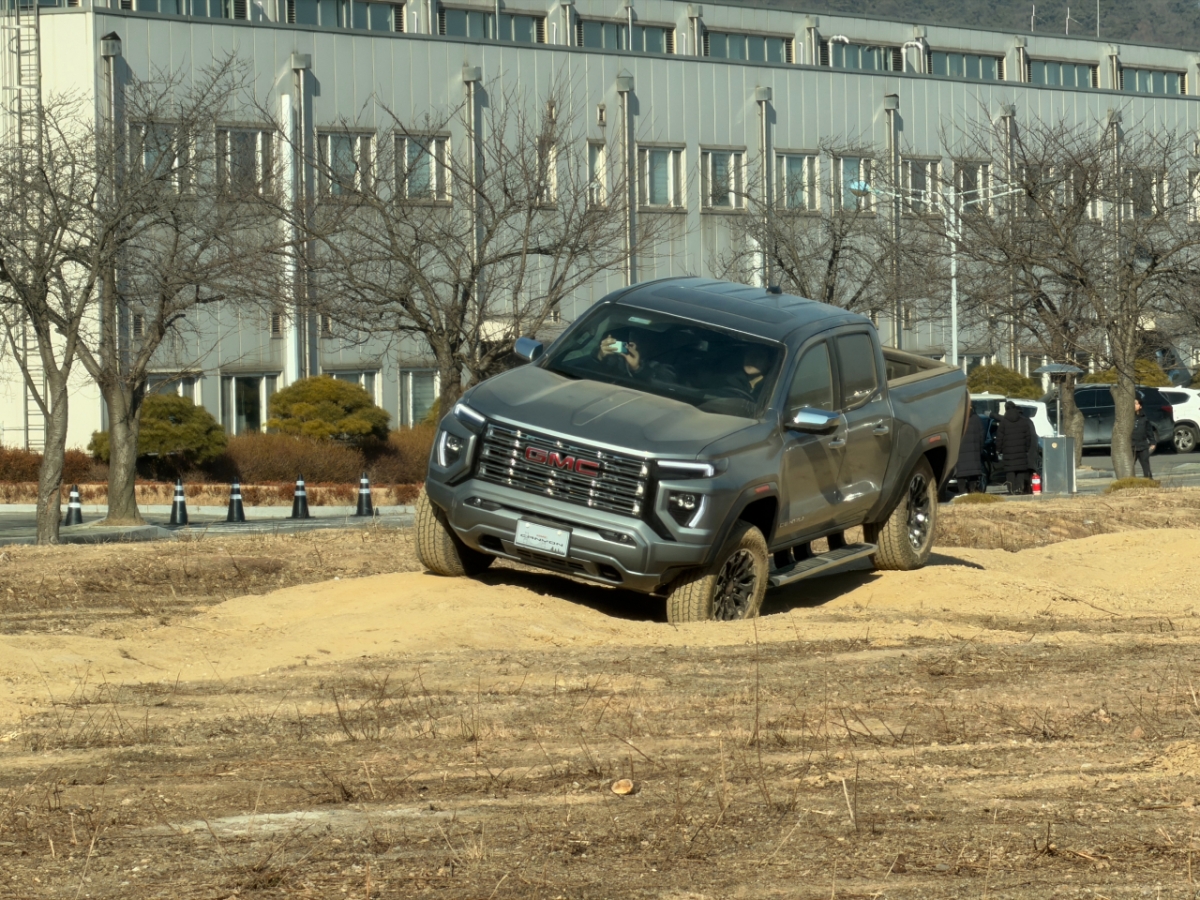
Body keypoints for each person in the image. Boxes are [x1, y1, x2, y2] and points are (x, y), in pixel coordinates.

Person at [995, 400, 1035, 494]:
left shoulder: (1004, 422)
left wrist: (998, 450)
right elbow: (1028, 437)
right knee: (1020, 470)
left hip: (1008, 452)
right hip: (1021, 451)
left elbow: (999, 438)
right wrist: (1026, 448)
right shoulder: (1023, 421)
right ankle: (1019, 488)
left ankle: (1011, 489)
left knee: (1010, 471)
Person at [955, 403, 985, 493]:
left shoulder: (957, 420)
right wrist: (980, 448)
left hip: (960, 451)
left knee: (961, 474)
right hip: (974, 451)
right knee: (973, 474)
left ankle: (962, 492)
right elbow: (982, 435)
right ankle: (973, 492)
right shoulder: (976, 419)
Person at [1131, 398, 1158, 479]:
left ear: (1140, 406)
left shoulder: (1144, 418)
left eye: (1136, 404)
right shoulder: (1129, 418)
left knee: (1146, 465)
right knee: (1130, 466)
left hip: (1142, 445)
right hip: (1131, 446)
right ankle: (1130, 482)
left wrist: (1152, 442)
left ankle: (1149, 481)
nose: (1134, 406)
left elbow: (1149, 431)